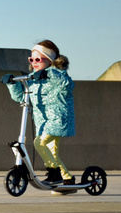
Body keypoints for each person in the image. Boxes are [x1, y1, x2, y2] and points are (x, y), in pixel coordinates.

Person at [8, 40, 77, 192]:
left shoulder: (57, 74)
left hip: (58, 119)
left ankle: (54, 174)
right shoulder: (33, 78)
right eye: (31, 59)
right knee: (52, 152)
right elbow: (21, 97)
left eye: (38, 59)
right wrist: (12, 84)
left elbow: (67, 85)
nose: (34, 62)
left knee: (39, 143)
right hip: (43, 122)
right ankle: (67, 179)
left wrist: (49, 74)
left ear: (50, 60)